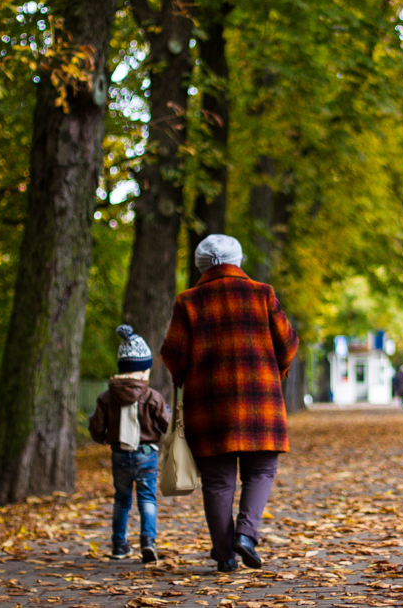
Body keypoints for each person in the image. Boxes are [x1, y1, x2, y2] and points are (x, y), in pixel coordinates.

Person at [160, 235, 299, 573]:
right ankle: (246, 536)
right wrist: (275, 371)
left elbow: (173, 355)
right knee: (262, 470)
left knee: (218, 481)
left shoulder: (189, 301)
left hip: (209, 405)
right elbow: (289, 343)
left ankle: (225, 555)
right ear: (238, 261)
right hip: (260, 401)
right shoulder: (261, 293)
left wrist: (186, 376)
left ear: (201, 265)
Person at [88, 325, 171, 563]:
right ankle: (148, 541)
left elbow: (96, 427)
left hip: (119, 455)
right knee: (147, 497)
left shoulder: (106, 396)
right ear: (143, 370)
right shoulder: (152, 396)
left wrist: (104, 439)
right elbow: (167, 425)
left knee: (121, 500)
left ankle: (119, 545)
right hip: (146, 454)